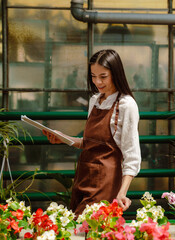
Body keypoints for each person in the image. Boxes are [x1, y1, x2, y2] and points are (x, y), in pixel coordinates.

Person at [43, 49, 141, 216]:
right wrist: (64, 138)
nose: (97, 82)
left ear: (116, 74)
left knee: (90, 227)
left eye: (103, 76)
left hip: (106, 181)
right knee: (81, 227)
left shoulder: (126, 105)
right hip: (84, 175)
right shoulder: (95, 100)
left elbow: (132, 155)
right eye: (93, 76)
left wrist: (122, 193)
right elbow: (91, 142)